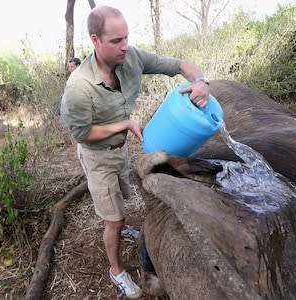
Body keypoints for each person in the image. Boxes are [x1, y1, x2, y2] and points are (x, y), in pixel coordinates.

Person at [61, 5, 210, 299]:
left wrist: (201, 83)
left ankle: (122, 225)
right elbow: (80, 134)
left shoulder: (133, 57)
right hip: (96, 155)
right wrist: (126, 123)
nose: (124, 46)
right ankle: (116, 271)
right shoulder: (78, 86)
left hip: (120, 151)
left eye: (126, 37)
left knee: (124, 197)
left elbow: (181, 65)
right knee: (113, 219)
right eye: (116, 41)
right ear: (95, 40)